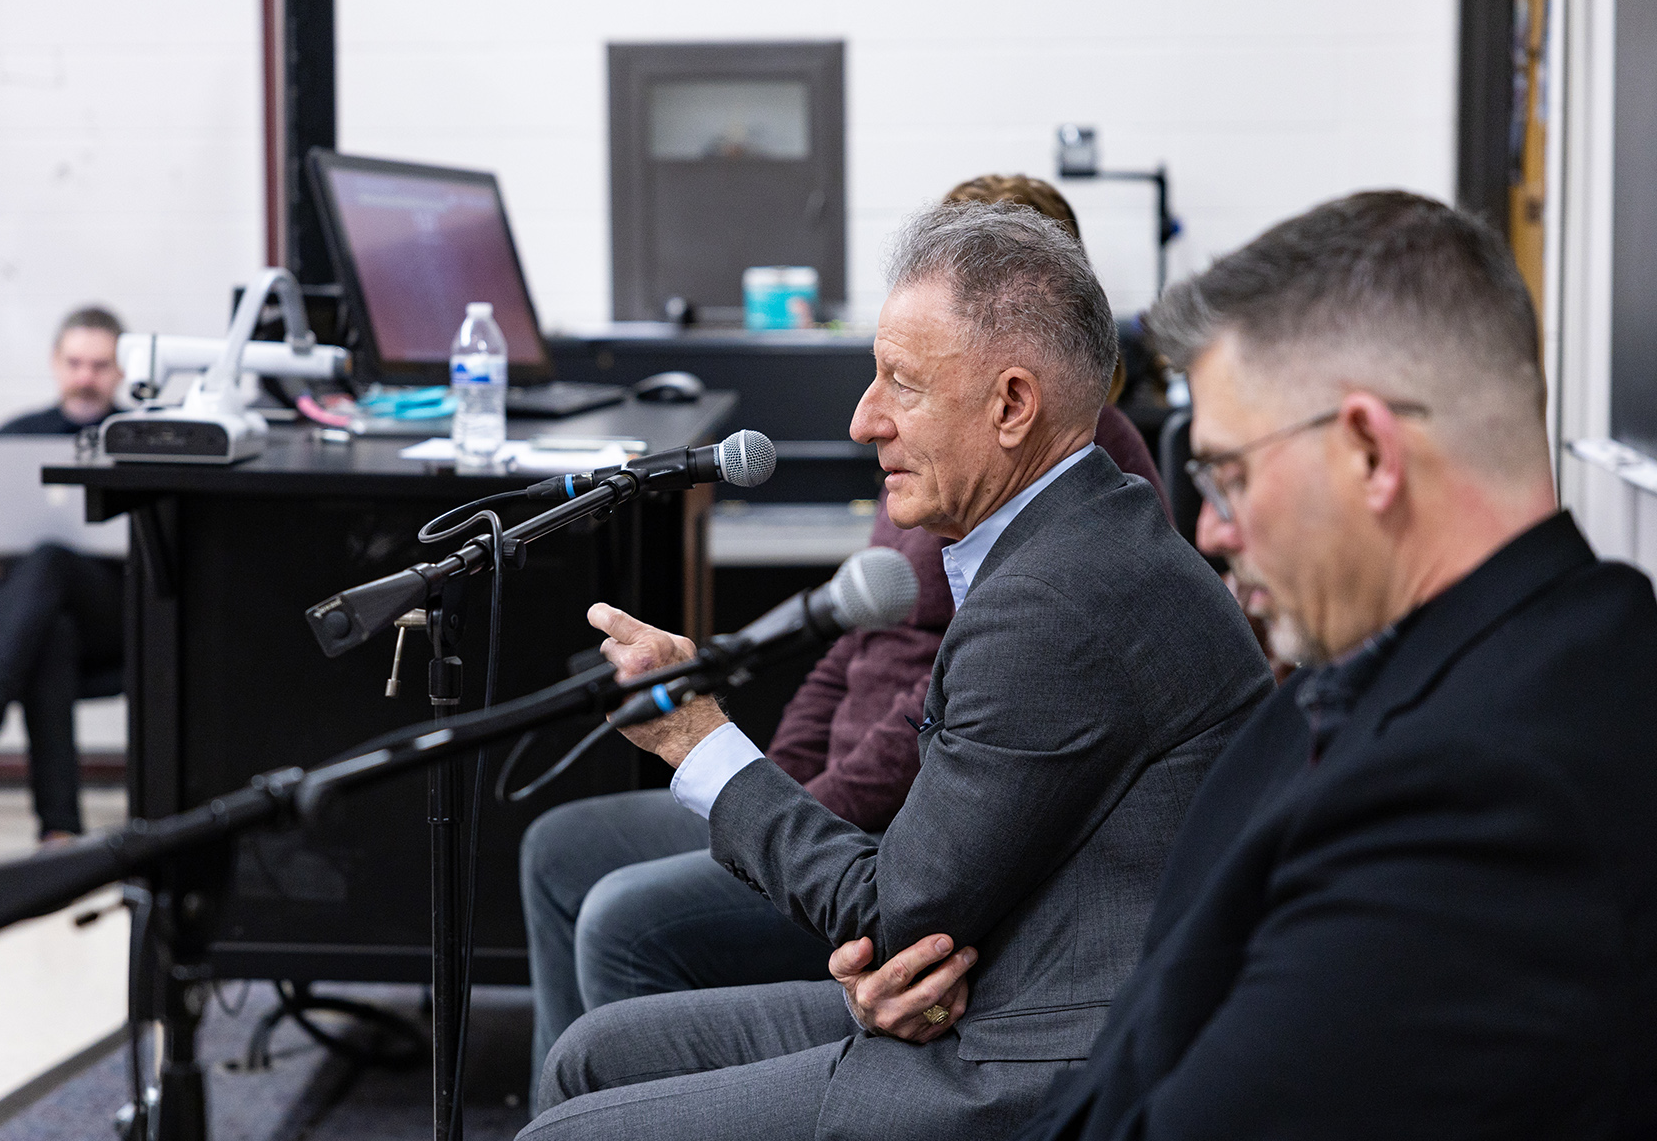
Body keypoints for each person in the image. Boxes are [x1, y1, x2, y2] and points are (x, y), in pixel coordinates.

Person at [849, 191, 1657, 1138]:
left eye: (1229, 475)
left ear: (1368, 452)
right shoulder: (1439, 669)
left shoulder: (1481, 786)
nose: (1211, 529)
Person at [519, 201, 1273, 1140]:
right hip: (986, 989)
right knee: (591, 1054)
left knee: (564, 1133)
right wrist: (885, 959)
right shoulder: (1075, 536)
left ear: (1010, 405)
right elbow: (939, 880)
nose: (862, 419)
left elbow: (895, 904)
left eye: (901, 384)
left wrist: (696, 740)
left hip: (1026, 1062)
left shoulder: (1055, 600)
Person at [0, 306, 129, 842]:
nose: (86, 377)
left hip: (115, 619)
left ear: (121, 370)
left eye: (100, 365)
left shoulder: (139, 438)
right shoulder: (14, 439)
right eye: (76, 362)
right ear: (55, 364)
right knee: (49, 627)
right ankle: (59, 836)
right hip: (39, 629)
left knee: (52, 558)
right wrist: (2, 558)